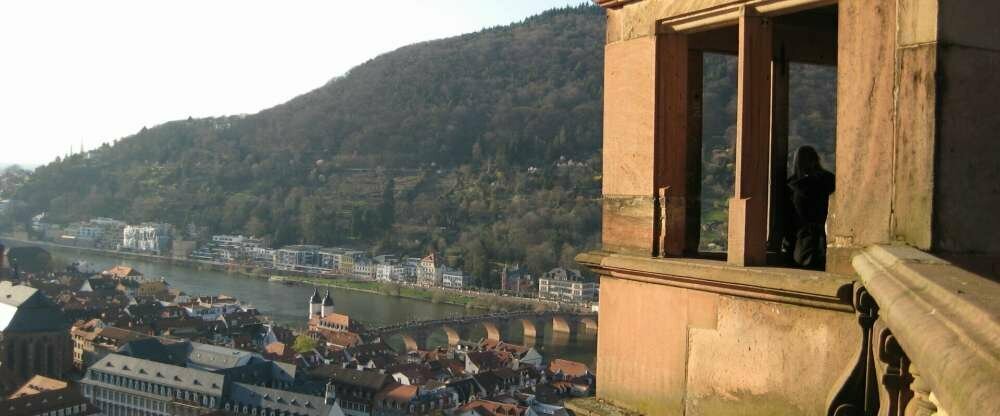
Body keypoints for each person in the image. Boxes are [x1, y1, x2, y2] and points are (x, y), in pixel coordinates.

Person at [782, 145, 835, 269]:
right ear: (816, 160)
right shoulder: (828, 181)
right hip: (823, 240)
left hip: (801, 243)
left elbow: (788, 220)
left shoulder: (792, 186)